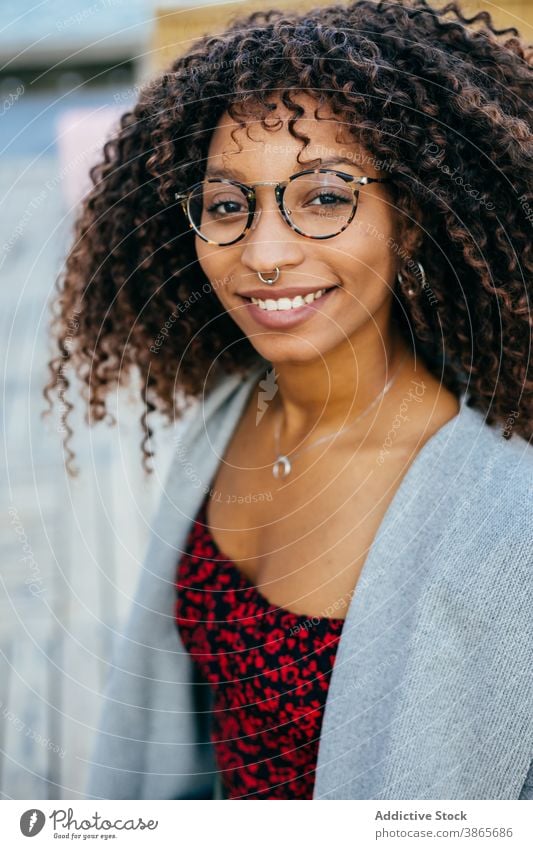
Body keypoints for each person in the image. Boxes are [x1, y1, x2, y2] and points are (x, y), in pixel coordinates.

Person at [44, 0, 533, 799]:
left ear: (407, 220)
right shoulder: (230, 415)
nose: (264, 255)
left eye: (324, 197)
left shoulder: (506, 522)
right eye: (229, 205)